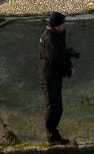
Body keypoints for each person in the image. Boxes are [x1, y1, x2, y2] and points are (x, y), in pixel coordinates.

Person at [38, 12, 79, 145]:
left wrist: (69, 64)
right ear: (56, 25)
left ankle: (54, 135)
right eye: (62, 24)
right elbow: (55, 59)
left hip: (55, 76)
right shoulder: (49, 38)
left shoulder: (56, 35)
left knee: (58, 107)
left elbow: (62, 52)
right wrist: (68, 71)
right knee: (53, 107)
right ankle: (52, 136)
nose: (64, 25)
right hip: (49, 77)